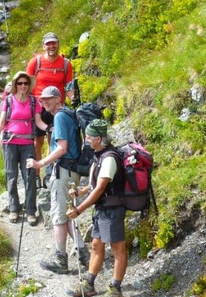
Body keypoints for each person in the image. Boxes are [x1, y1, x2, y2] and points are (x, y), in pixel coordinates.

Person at [26, 86, 89, 274]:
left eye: (47, 99)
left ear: (57, 99)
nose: (44, 102)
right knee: (66, 214)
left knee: (58, 217)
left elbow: (62, 148)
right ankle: (83, 253)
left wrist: (40, 164)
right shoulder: (67, 115)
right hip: (71, 170)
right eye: (42, 100)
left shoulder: (60, 117)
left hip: (63, 171)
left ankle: (60, 259)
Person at [66, 119, 127, 297]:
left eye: (89, 137)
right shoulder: (98, 155)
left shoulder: (109, 159)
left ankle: (115, 289)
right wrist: (81, 191)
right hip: (103, 209)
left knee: (118, 248)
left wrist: (79, 209)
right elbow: (95, 185)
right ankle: (89, 284)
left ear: (99, 138)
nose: (86, 139)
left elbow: (100, 188)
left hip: (112, 209)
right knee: (96, 245)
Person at [0, 72, 47, 226]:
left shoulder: (34, 102)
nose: (23, 86)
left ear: (29, 85)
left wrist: (50, 128)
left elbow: (38, 122)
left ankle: (30, 211)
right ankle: (14, 208)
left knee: (29, 176)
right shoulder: (8, 101)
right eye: (20, 83)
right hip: (9, 143)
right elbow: (2, 121)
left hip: (27, 143)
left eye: (26, 83)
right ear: (15, 85)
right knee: (12, 176)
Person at [26, 32, 74, 182]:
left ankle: (50, 173)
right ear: (44, 46)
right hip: (38, 106)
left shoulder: (65, 64)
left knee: (53, 140)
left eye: (54, 43)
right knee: (37, 142)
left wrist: (73, 99)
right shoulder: (36, 62)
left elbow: (69, 86)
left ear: (58, 44)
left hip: (56, 108)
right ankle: (36, 175)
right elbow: (27, 84)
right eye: (48, 43)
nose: (51, 46)